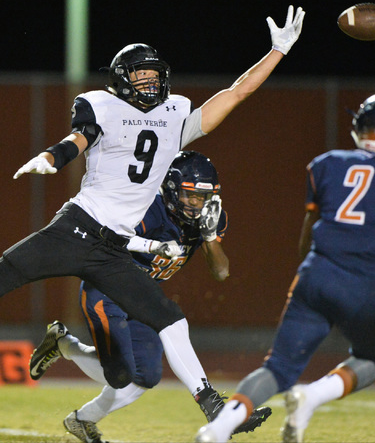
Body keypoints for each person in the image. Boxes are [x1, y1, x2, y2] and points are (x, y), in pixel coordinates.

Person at [0, 4, 304, 427]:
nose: (148, 83)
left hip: (114, 249)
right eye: (138, 76)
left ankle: (214, 407)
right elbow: (80, 136)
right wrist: (53, 156)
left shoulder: (176, 114)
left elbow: (236, 93)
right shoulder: (100, 105)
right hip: (77, 227)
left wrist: (277, 52)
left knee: (169, 317)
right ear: (120, 79)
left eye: (152, 75)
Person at [194, 91, 375, 443]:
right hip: (368, 284)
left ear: (362, 127)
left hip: (316, 273)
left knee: (276, 368)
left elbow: (307, 235)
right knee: (374, 358)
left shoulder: (328, 163)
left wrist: (310, 278)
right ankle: (312, 396)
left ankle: (216, 430)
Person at [28, 151, 271, 443]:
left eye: (203, 197)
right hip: (107, 287)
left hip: (143, 295)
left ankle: (81, 419)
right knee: (120, 373)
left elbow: (221, 272)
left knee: (145, 375)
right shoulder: (147, 206)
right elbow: (110, 235)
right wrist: (152, 245)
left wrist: (208, 237)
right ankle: (212, 405)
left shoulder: (209, 216)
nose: (197, 205)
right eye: (190, 196)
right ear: (170, 190)